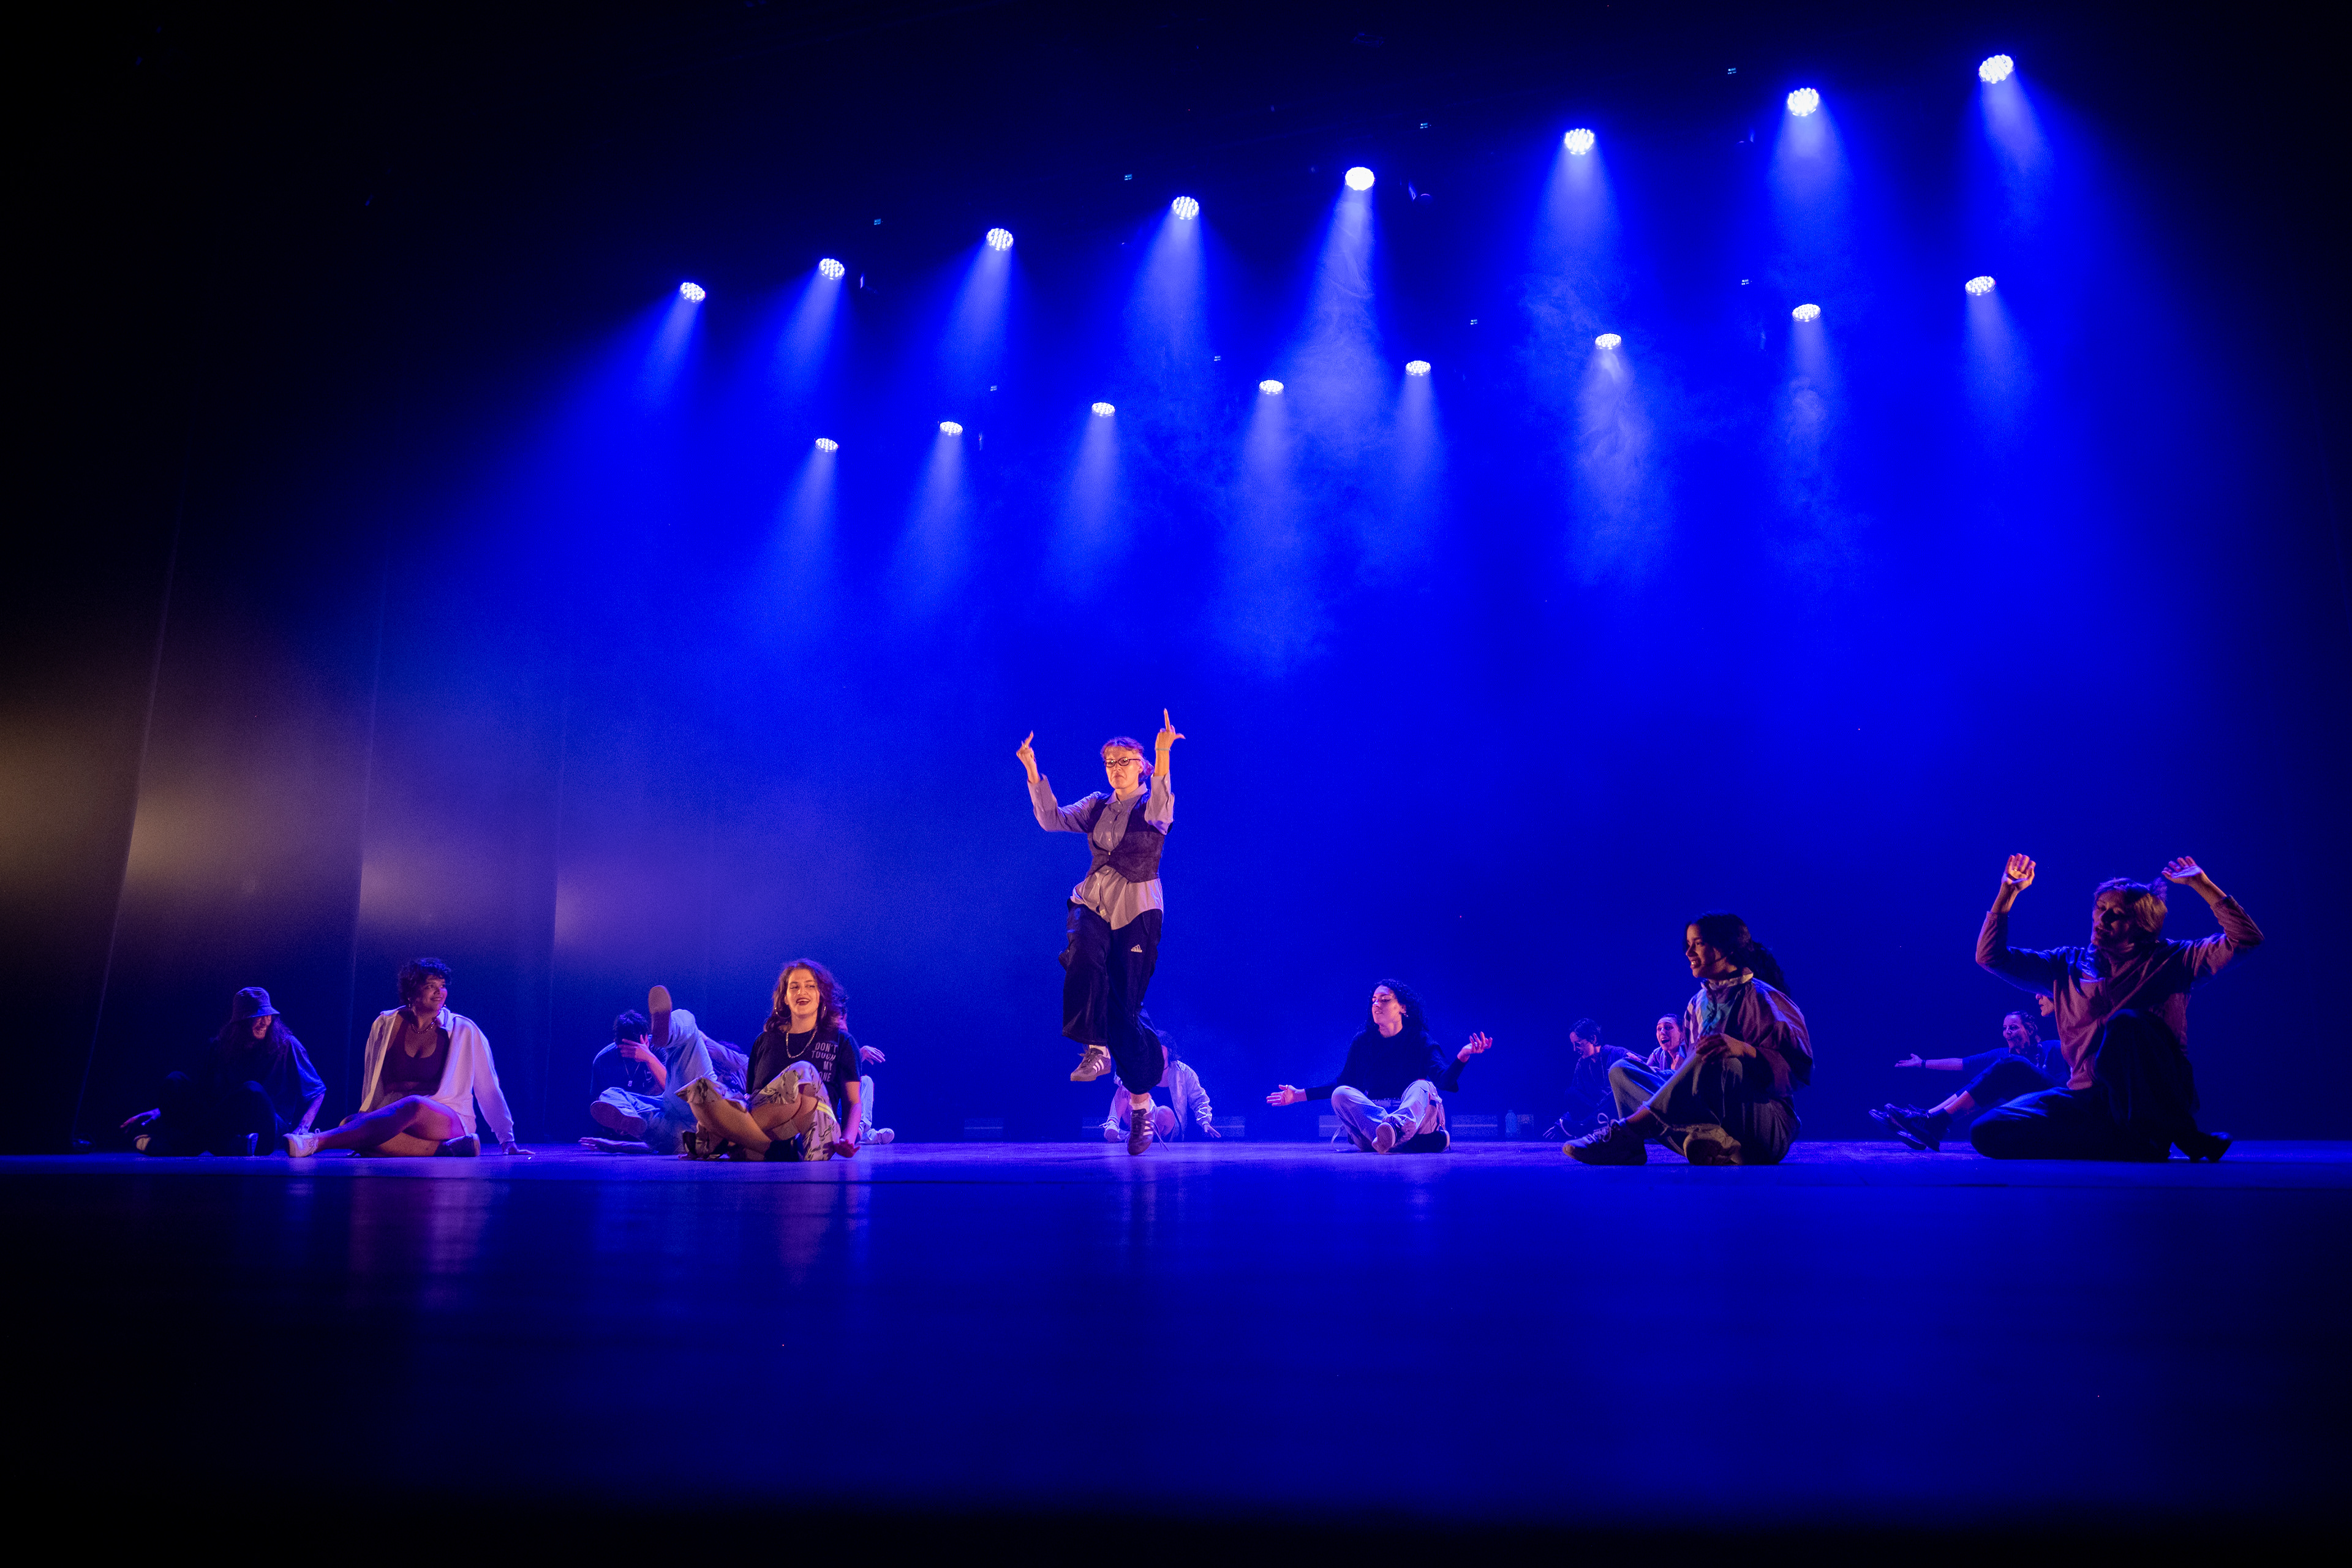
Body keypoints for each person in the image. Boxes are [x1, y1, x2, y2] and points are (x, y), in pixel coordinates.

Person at [1967, 854, 2257, 1162]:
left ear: (2143, 926)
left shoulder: (2174, 960)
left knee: (2125, 1023)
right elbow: (1990, 957)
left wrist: (2202, 884)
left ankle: (2163, 1132)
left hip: (2150, 1098)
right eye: (2100, 908)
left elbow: (2246, 939)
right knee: (1987, 1131)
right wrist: (2007, 894)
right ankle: (2128, 1144)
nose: (2102, 920)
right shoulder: (2066, 964)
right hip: (2087, 1097)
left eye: (2117, 915)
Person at [1020, 711, 1183, 1155]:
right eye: (1110, 762)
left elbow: (1163, 806)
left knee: (1125, 1012)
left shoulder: (1153, 805)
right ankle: (1095, 1046)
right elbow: (1051, 819)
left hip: (1138, 909)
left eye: (1124, 761)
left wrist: (1163, 752)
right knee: (1083, 950)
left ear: (1141, 766)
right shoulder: (1096, 805)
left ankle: (1141, 1105)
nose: (1116, 768)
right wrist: (1033, 769)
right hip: (1093, 899)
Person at [1569, 914, 1811, 1166]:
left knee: (1719, 1055)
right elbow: (1698, 1081)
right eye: (1688, 944)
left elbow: (1799, 1069)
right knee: (1621, 1071)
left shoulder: (1764, 999)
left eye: (1699, 943)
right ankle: (1703, 1140)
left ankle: (1629, 1131)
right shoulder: (1697, 1005)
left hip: (1760, 1129)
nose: (1689, 952)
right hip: (1720, 1132)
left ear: (1727, 948)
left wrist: (1742, 1049)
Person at [287, 959, 524, 1158]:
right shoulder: (384, 1024)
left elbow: (488, 1088)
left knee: (414, 1105)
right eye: (431, 986)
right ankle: (445, 1150)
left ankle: (315, 1142)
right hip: (396, 1116)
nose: (439, 992)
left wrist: (507, 1139)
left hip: (445, 1117)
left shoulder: (464, 1030)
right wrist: (367, 1117)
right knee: (349, 1124)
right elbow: (371, 1083)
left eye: (442, 986)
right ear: (412, 992)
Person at [1265, 981, 1494, 1154]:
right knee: (1341, 1094)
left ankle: (1395, 1131)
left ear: (1403, 1007)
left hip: (1414, 1120)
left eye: (1384, 1000)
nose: (1376, 1005)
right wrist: (1298, 1095)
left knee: (1423, 1086)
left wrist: (1463, 1056)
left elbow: (1444, 1081)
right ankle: (1406, 1141)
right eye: (1374, 1000)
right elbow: (1342, 1084)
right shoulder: (1363, 1042)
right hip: (1374, 1126)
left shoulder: (1419, 1040)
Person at [673, 960, 863, 1161]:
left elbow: (853, 1102)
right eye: (794, 987)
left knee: (803, 1072)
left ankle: (724, 1138)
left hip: (815, 1134)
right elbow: (755, 1099)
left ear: (821, 995)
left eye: (810, 986)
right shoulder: (765, 1041)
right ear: (785, 998)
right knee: (700, 1089)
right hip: (772, 1132)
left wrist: (848, 1139)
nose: (802, 992)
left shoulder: (842, 1041)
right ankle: (762, 1147)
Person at [123, 987, 325, 1156]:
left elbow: (317, 1091)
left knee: (252, 1091)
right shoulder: (220, 1047)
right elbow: (203, 1094)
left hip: (269, 1127)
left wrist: (303, 1127)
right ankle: (235, 1145)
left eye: (268, 1016)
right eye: (258, 1016)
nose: (265, 1022)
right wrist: (159, 1111)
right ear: (241, 1021)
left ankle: (178, 1147)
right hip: (226, 1125)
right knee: (175, 1081)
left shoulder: (287, 1046)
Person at [1871, 1009, 2068, 1152]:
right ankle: (1927, 1118)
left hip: (2058, 1106)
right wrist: (1922, 1063)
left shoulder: (2055, 1048)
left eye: (2014, 1027)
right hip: (2028, 1113)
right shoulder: (2004, 1055)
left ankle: (1931, 1122)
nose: (2007, 1032)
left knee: (2011, 1064)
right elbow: (1960, 1063)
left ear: (2030, 1030)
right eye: (2005, 1028)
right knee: (1985, 1079)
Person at [581, 989, 734, 1154]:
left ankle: (670, 1031)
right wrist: (618, 1144)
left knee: (686, 1020)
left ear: (647, 1038)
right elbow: (656, 1147)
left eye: (639, 1045)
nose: (634, 1053)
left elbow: (676, 1090)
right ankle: (628, 1117)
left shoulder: (659, 1047)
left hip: (697, 1104)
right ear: (617, 1044)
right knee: (609, 1095)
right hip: (679, 1130)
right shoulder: (603, 1060)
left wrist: (649, 1058)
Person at [1102, 1017, 1218, 1146]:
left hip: (1168, 1127)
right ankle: (1113, 1125)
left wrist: (1205, 1122)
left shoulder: (1184, 1072)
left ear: (1169, 1051)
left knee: (1164, 1111)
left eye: (1160, 1048)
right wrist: (1126, 1083)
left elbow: (1199, 1099)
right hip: (1140, 1121)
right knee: (1124, 1089)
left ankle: (1138, 1136)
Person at [1549, 1017, 1637, 1137]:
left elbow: (1647, 1070)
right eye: (1573, 1045)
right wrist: (1561, 1123)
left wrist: (1640, 1064)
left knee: (1615, 1094)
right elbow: (1578, 1100)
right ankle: (1593, 1128)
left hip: (1619, 1111)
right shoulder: (1582, 1064)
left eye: (1578, 1044)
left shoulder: (1617, 1053)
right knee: (1571, 1093)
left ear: (1593, 1039)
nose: (1575, 1049)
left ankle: (1588, 1127)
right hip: (1597, 1111)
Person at [1602, 1014, 1693, 1122]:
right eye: (1659, 1029)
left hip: (1681, 1102)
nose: (1662, 1032)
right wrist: (1639, 1065)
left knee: (1621, 1066)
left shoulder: (1690, 1051)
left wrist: (1655, 1072)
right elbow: (1645, 1076)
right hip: (1660, 1100)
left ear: (1682, 1034)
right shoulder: (1658, 1054)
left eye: (1668, 1027)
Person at [837, 1006, 893, 1145]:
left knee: (866, 1081)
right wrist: (860, 1053)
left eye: (844, 1020)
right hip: (828, 1110)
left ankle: (859, 1130)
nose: (844, 1025)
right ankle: (869, 1136)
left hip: (844, 1113)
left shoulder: (845, 1043)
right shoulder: (823, 1044)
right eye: (840, 1020)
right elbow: (834, 1074)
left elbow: (846, 1070)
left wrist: (859, 1054)